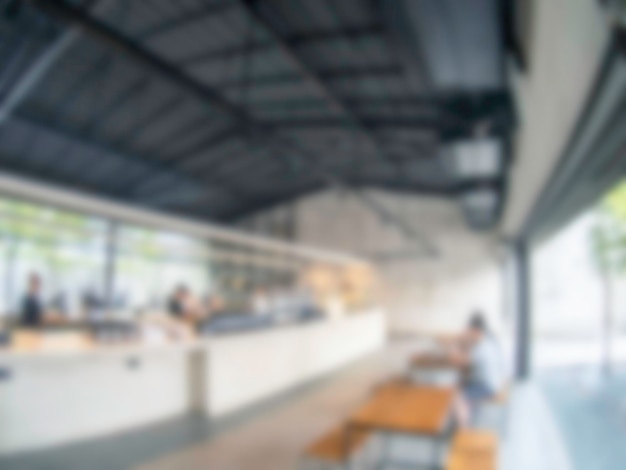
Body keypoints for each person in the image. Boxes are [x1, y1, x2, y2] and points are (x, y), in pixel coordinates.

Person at [438, 312, 506, 427]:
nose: (469, 333)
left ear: (476, 330)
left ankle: (463, 430)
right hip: (495, 380)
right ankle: (462, 414)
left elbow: (459, 361)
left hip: (488, 386)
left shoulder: (482, 347)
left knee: (456, 396)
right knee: (458, 384)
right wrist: (460, 341)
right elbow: (463, 342)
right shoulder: (489, 338)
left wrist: (449, 350)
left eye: (470, 331)